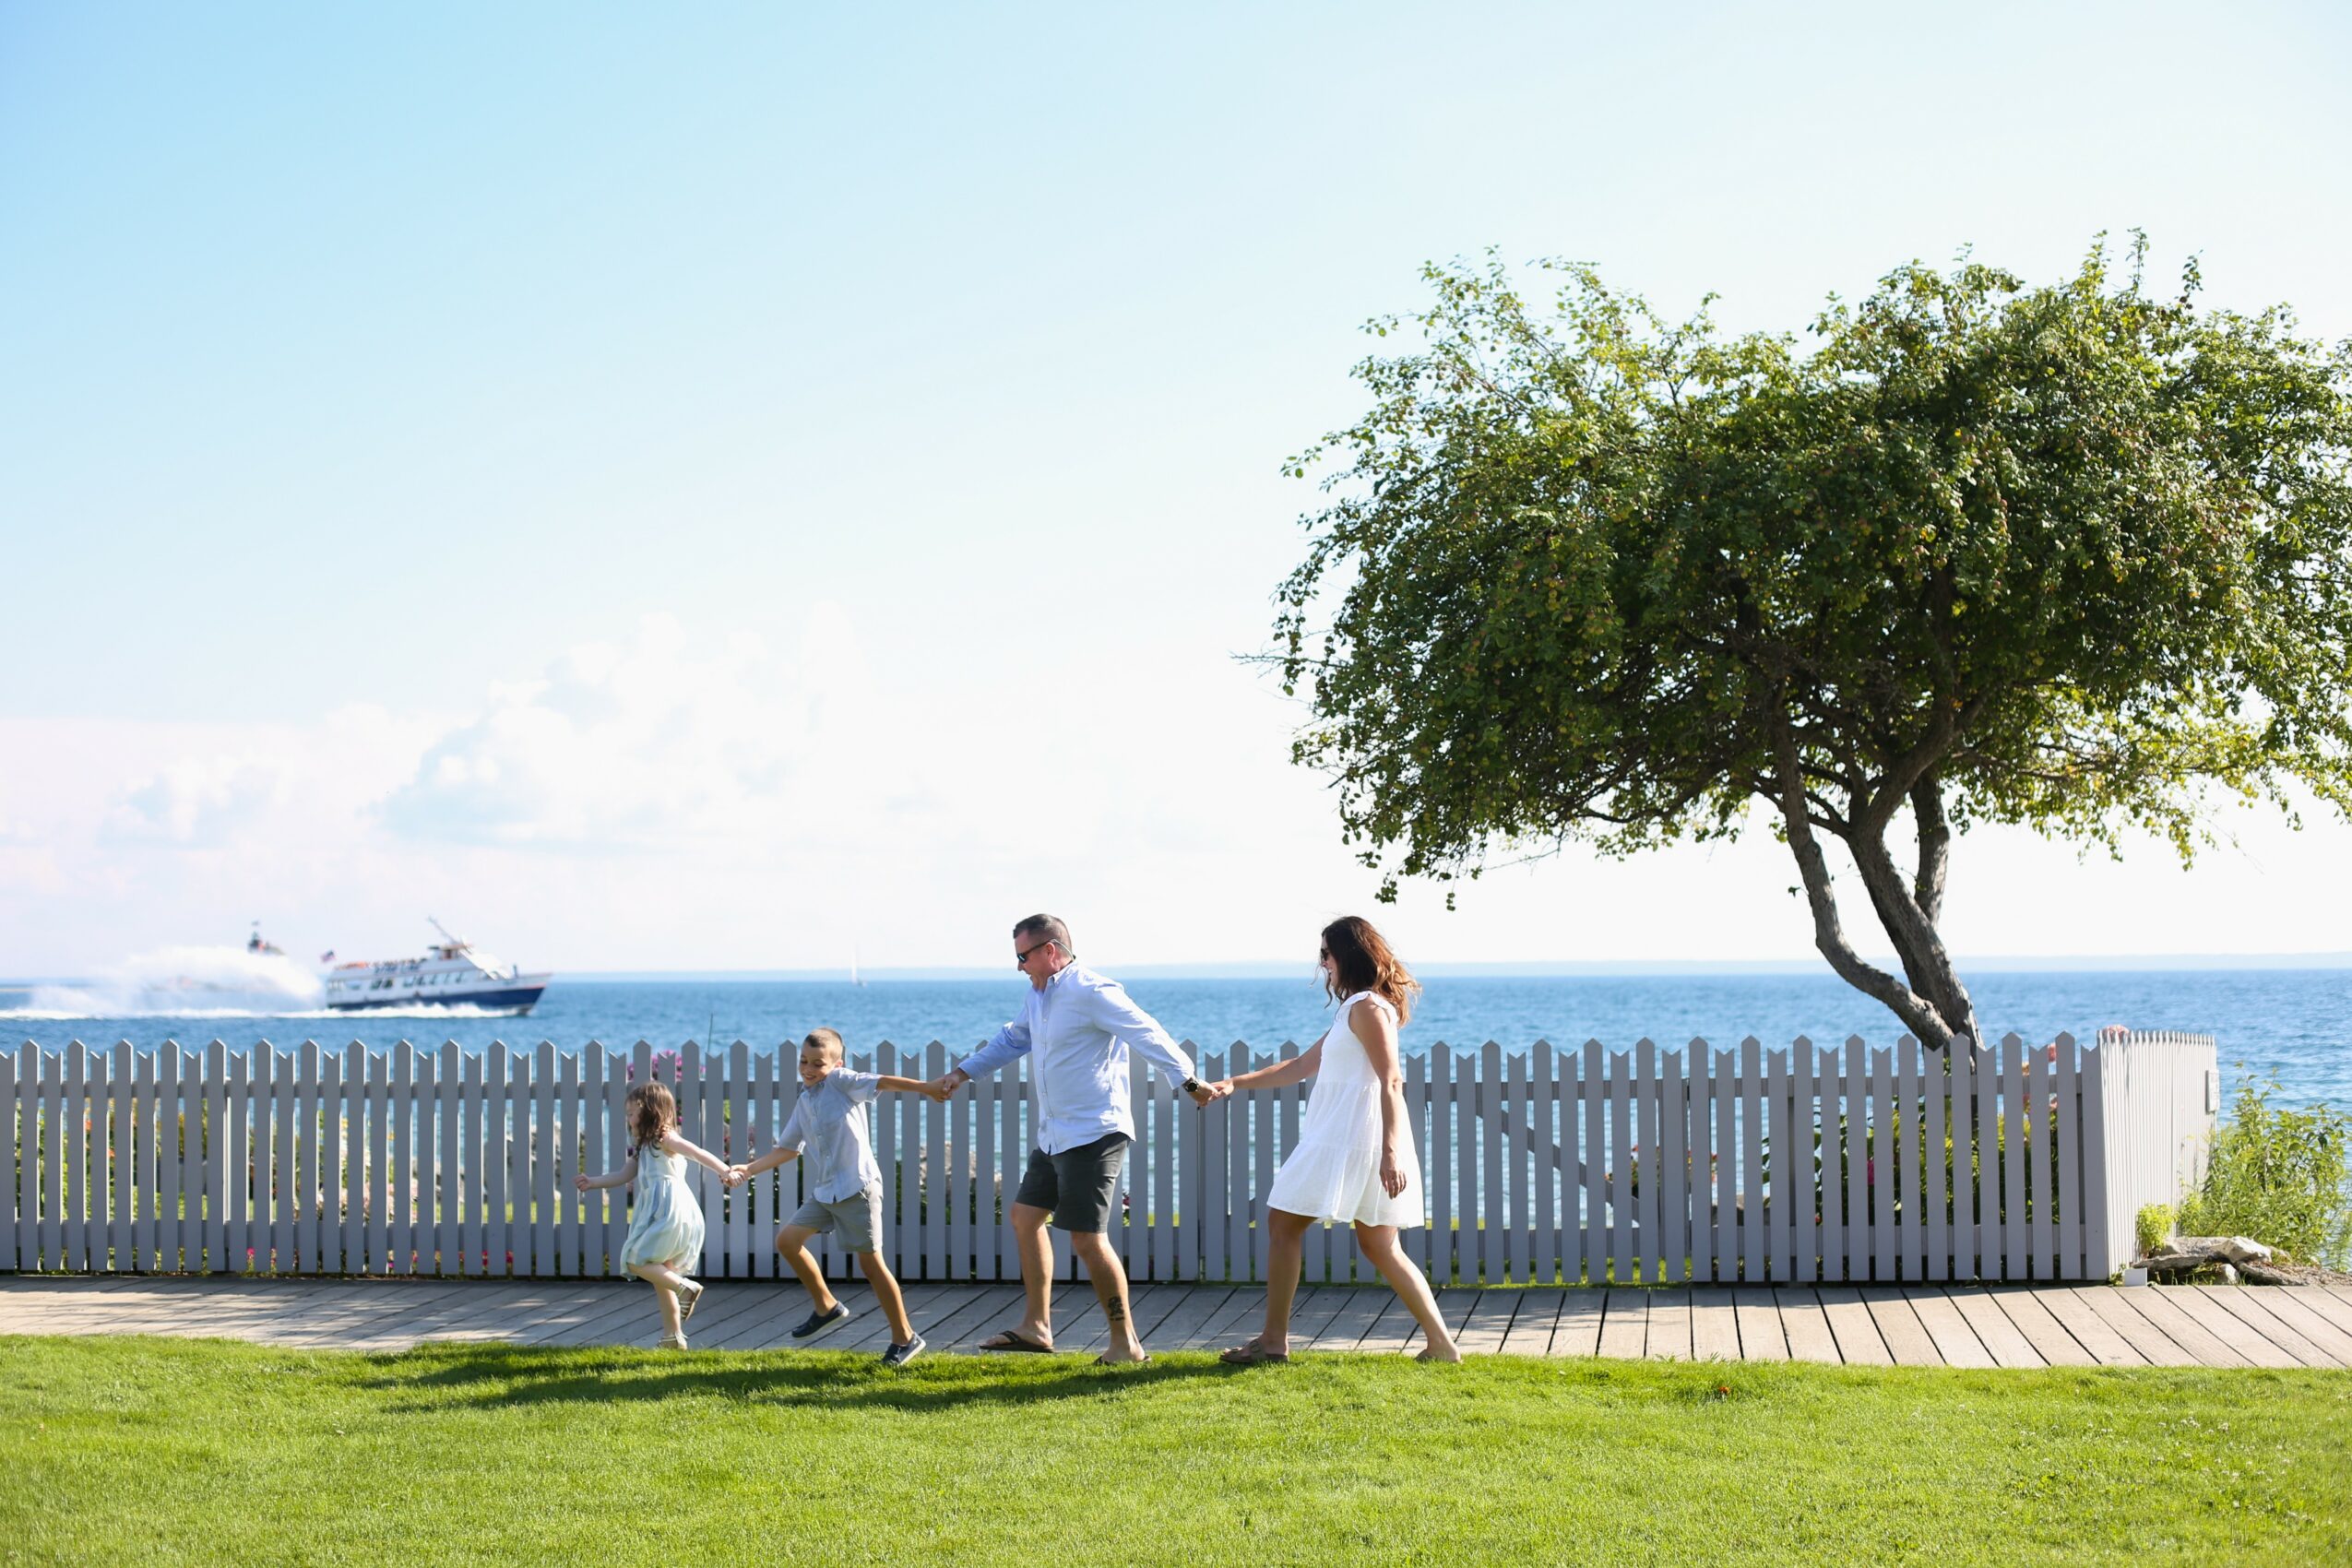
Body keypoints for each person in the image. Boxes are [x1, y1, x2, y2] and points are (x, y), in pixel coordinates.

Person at [928, 914, 1215, 1364]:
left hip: (1095, 1132)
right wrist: (964, 1072)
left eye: (1023, 956)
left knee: (1086, 1238)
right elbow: (1012, 1040)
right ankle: (1037, 1327)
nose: (1020, 966)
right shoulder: (1037, 996)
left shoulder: (1092, 991)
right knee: (1025, 1218)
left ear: (1050, 950)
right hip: (1055, 1134)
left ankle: (1127, 1344)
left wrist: (1189, 1081)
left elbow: (1147, 1031)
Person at [1199, 916, 1461, 1363]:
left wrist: (1391, 1152)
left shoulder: (1368, 1007)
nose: (1322, 964)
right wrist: (1234, 1083)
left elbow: (1391, 1081)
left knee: (1286, 1224)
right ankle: (1441, 1346)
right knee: (1377, 1244)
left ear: (1347, 954)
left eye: (1326, 953)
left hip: (1354, 1141)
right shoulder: (1354, 1008)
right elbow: (1301, 1066)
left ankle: (1272, 1342)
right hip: (1348, 1139)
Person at [725, 1028, 934, 1366]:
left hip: (857, 1188)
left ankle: (906, 1338)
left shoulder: (842, 1082)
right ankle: (826, 1306)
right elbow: (787, 1149)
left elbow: (882, 1081)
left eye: (818, 1064)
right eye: (804, 1061)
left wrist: (927, 1088)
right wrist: (748, 1169)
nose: (808, 1069)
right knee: (788, 1241)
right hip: (826, 1192)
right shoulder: (805, 1099)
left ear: (837, 1064)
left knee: (871, 1264)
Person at [575, 1080, 733, 1349]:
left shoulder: (665, 1139)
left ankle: (686, 1288)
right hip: (667, 1210)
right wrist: (593, 1182)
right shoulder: (643, 1146)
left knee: (635, 1259)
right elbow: (623, 1175)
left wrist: (725, 1170)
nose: (628, 1119)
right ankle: (673, 1337)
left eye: (632, 1113)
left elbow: (697, 1153)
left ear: (650, 1111)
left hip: (668, 1210)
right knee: (663, 1272)